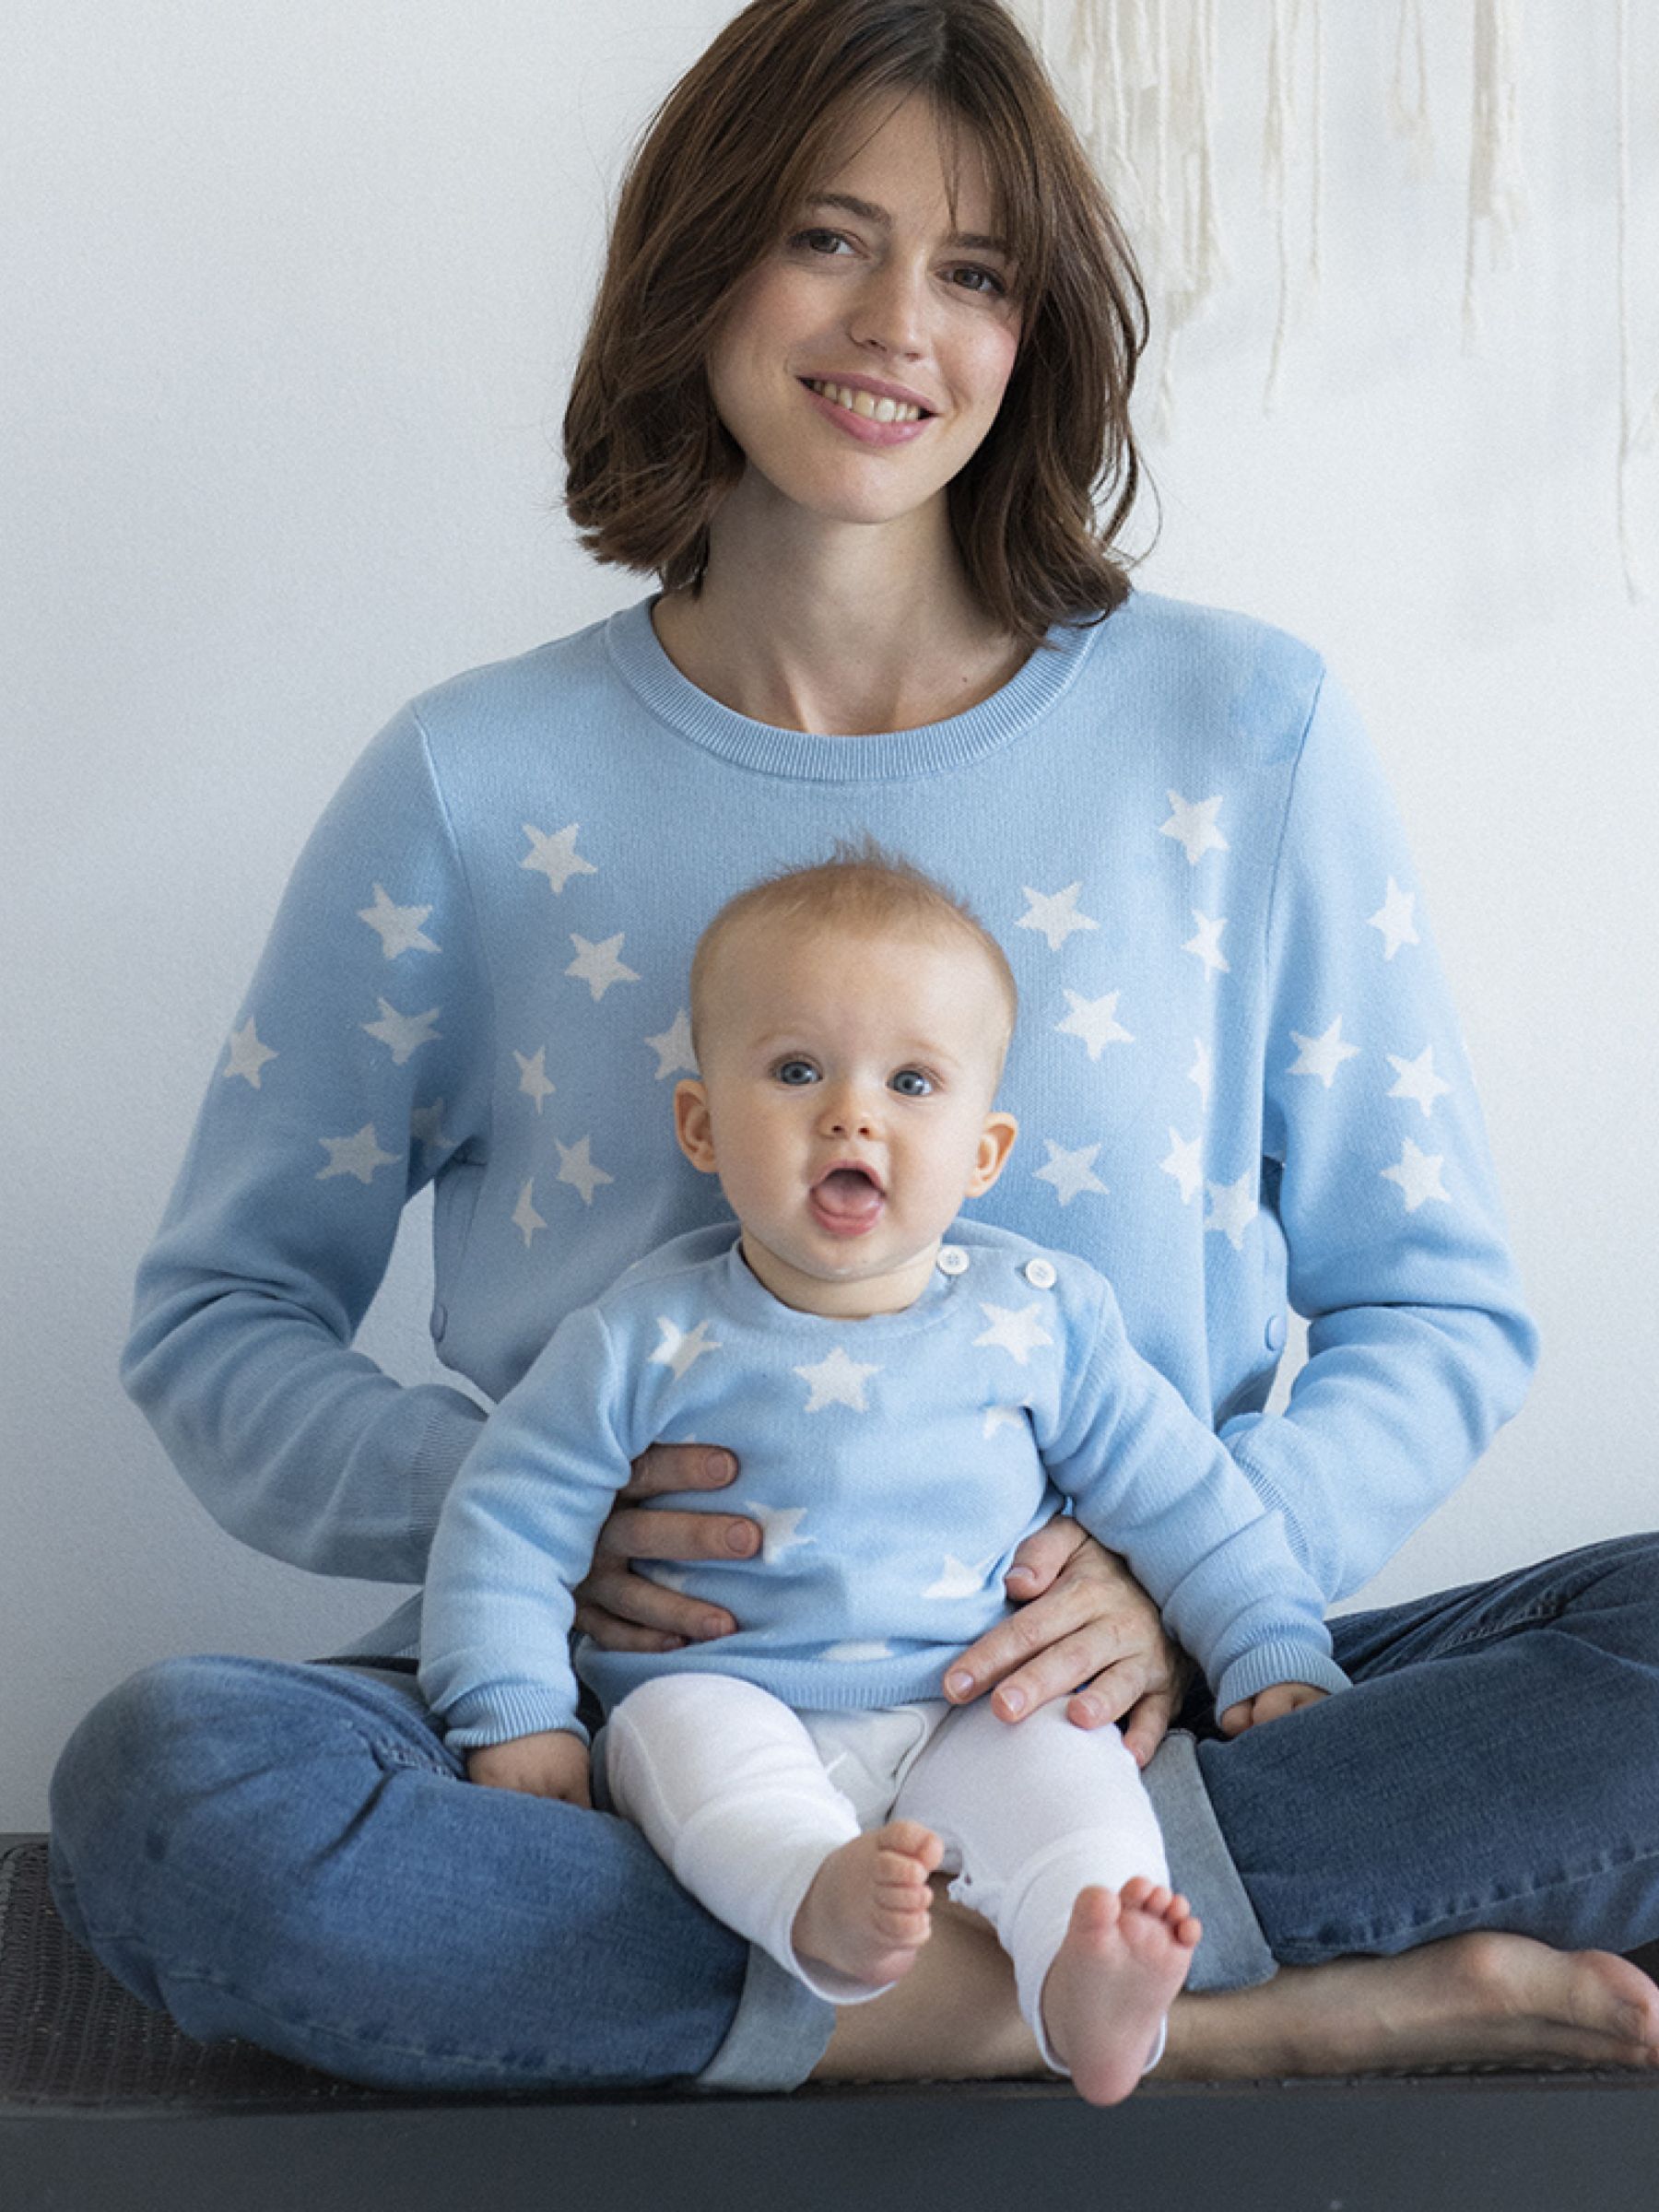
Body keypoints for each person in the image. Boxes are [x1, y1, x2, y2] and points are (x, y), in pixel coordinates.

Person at [48, 0, 1659, 2096]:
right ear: (698, 260)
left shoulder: (1242, 734)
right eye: (828, 237)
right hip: (624, 1728)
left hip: (1113, 1729)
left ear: (1036, 324)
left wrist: (1187, 1589)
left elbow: (1427, 1301)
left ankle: (961, 1974)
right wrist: (518, 1512)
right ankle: (1243, 2021)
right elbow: (222, 1319)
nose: (901, 321)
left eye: (978, 271)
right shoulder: (467, 780)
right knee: (174, 1787)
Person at [419, 846, 1351, 2104]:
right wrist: (517, 1712)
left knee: (1077, 1788)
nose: (853, 1114)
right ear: (700, 1124)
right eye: (797, 1071)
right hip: (725, 1688)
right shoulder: (643, 1337)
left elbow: (1185, 1500)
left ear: (983, 1151)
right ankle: (822, 1906)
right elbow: (507, 1522)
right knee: (700, 1764)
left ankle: (1091, 1978)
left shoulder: (1043, 1316)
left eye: (913, 1083)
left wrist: (1271, 1648)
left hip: (976, 1697)